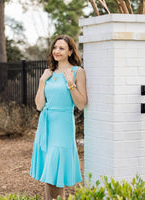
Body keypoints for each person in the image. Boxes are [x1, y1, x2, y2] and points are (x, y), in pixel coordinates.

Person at [30, 35, 87, 200]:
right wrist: (42, 82)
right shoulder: (49, 73)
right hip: (46, 124)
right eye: (55, 47)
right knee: (49, 173)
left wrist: (70, 83)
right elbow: (39, 105)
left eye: (61, 48)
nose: (57, 51)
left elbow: (81, 104)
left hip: (63, 125)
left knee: (56, 172)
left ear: (70, 51)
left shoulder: (77, 72)